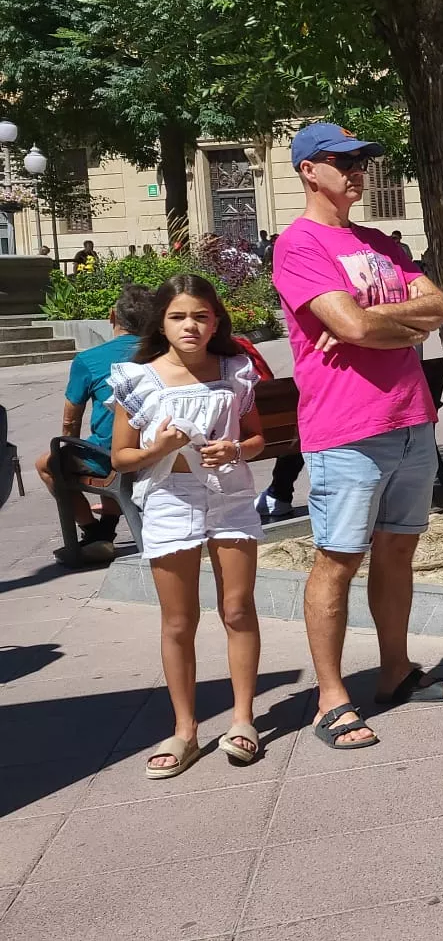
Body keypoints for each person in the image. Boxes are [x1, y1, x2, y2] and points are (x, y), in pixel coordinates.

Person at [273, 121, 443, 753]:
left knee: (397, 553)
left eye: (362, 161)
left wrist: (376, 320)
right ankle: (331, 699)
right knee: (337, 559)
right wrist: (383, 324)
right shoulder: (299, 245)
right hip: (346, 430)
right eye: (342, 161)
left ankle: (396, 671)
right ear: (308, 170)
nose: (357, 170)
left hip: (412, 418)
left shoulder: (381, 242)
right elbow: (350, 326)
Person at [106, 275, 266, 779]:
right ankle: (185, 729)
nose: (190, 326)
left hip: (230, 497)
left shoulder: (235, 371)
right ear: (161, 323)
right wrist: (159, 449)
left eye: (200, 315)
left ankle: (243, 719)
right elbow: (122, 457)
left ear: (216, 320)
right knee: (179, 621)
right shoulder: (138, 378)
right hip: (170, 500)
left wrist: (236, 448)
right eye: (178, 317)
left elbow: (259, 437)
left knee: (237, 607)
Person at [40, 284, 150, 560]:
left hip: (114, 457)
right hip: (158, 449)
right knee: (101, 447)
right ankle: (105, 530)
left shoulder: (89, 360)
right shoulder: (164, 354)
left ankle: (93, 532)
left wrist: (68, 448)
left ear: (112, 316)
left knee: (47, 464)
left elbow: (70, 421)